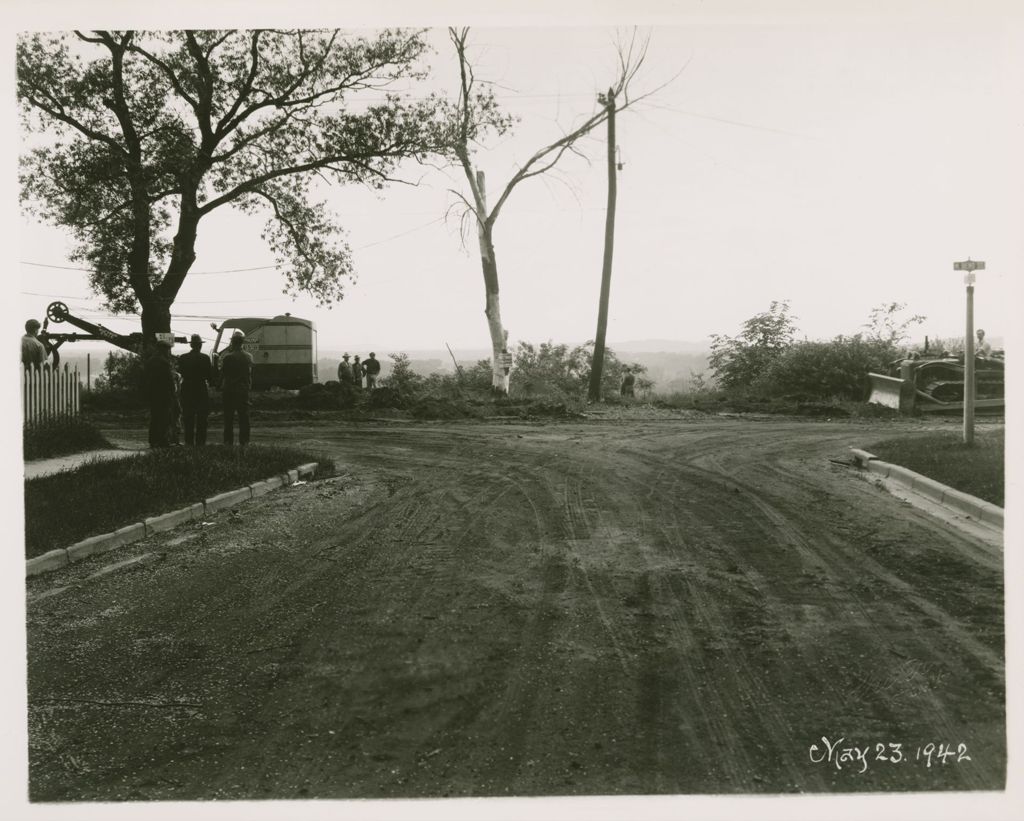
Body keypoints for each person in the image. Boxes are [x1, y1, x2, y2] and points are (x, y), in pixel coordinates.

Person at [178, 333, 212, 445]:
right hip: (201, 388)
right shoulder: (205, 358)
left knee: (188, 417)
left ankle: (189, 442)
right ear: (200, 345)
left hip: (187, 388)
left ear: (191, 345)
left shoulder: (183, 358)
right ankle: (200, 442)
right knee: (202, 417)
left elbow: (181, 372)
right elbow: (210, 376)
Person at [220, 329, 253, 446]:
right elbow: (248, 375)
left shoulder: (227, 357)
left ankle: (228, 442)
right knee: (244, 418)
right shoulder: (248, 357)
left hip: (229, 390)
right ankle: (244, 442)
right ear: (242, 342)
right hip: (243, 391)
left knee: (228, 419)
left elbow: (223, 373)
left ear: (232, 343)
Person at [143, 340, 176, 448]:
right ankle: (163, 440)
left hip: (152, 393)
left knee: (155, 417)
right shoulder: (164, 362)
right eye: (167, 350)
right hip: (164, 393)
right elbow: (169, 379)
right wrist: (173, 392)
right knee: (164, 417)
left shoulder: (150, 361)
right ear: (163, 349)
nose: (168, 352)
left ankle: (153, 440)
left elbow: (145, 377)